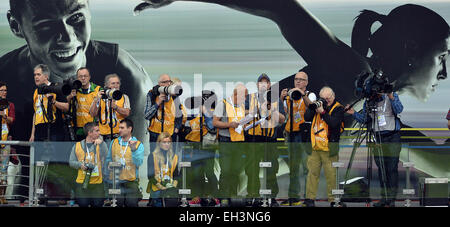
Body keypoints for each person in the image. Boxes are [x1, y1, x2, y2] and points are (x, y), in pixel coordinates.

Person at [346, 91, 404, 207]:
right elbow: (365, 120)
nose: (375, 93)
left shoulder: (391, 95)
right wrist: (353, 113)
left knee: (391, 168)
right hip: (377, 138)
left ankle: (391, 199)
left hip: (392, 137)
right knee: (381, 169)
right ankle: (384, 198)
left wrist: (392, 97)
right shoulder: (368, 102)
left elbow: (399, 109)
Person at [244, 73, 285, 207]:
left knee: (272, 169)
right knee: (252, 169)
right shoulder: (249, 98)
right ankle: (252, 195)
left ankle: (271, 197)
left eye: (266, 82)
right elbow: (241, 114)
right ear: (257, 85)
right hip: (253, 139)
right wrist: (255, 111)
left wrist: (270, 108)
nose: (263, 84)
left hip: (270, 139)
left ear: (269, 85)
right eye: (260, 82)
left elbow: (282, 119)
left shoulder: (275, 99)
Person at [279, 70, 316, 206]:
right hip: (291, 134)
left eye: (301, 79)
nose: (298, 81)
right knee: (293, 168)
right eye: (296, 79)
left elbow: (311, 108)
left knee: (307, 167)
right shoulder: (289, 96)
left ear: (306, 82)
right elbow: (284, 115)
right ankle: (293, 197)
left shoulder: (310, 94)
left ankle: (308, 198)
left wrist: (302, 94)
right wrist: (282, 99)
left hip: (304, 134)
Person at [304, 86, 344, 207]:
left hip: (329, 148)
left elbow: (334, 123)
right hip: (315, 147)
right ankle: (310, 199)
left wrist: (323, 112)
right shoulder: (317, 104)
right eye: (324, 98)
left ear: (333, 96)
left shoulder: (339, 108)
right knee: (312, 174)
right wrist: (313, 107)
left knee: (331, 176)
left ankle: (333, 200)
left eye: (328, 98)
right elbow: (306, 117)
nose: (326, 100)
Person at [213, 83, 248, 207]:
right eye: (243, 96)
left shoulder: (242, 106)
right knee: (226, 170)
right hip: (226, 140)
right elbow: (215, 122)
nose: (245, 98)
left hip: (239, 141)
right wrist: (229, 125)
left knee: (236, 170)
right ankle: (224, 197)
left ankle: (233, 195)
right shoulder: (222, 104)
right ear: (235, 94)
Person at [184, 91, 219, 207]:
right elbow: (189, 128)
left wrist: (205, 111)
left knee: (209, 171)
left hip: (208, 146)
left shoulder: (214, 113)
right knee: (197, 172)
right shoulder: (196, 114)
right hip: (196, 145)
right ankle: (197, 196)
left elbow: (212, 126)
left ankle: (214, 195)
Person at [105, 118, 144, 207]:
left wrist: (133, 150)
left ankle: (137, 193)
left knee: (131, 203)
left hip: (131, 180)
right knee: (118, 202)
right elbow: (108, 159)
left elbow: (138, 163)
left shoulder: (138, 144)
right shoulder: (114, 142)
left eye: (122, 128)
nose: (119, 130)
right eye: (119, 128)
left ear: (129, 129)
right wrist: (109, 166)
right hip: (116, 180)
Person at [69, 122, 108, 207]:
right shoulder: (77, 145)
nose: (99, 133)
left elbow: (107, 156)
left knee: (98, 204)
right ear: (89, 133)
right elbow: (71, 162)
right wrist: (80, 165)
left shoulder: (101, 144)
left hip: (97, 182)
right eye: (97, 131)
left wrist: (101, 144)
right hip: (82, 182)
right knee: (83, 204)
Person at [144, 74, 183, 151]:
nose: (168, 84)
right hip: (155, 134)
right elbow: (146, 115)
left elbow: (179, 114)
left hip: (170, 134)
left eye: (169, 81)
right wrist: (157, 103)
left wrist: (177, 128)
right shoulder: (152, 94)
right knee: (154, 158)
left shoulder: (174, 95)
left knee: (170, 158)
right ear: (160, 84)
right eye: (165, 82)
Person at [29, 64, 68, 142]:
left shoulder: (56, 88)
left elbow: (67, 107)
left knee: (55, 154)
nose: (36, 77)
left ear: (46, 76)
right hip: (39, 130)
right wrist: (32, 134)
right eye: (35, 75)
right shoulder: (36, 92)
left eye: (38, 74)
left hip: (55, 129)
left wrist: (54, 102)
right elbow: (36, 113)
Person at [90, 74, 131, 145]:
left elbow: (127, 113)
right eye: (113, 83)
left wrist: (116, 107)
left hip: (119, 134)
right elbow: (93, 114)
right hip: (103, 135)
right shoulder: (100, 97)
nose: (116, 85)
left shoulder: (124, 97)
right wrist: (96, 100)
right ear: (106, 85)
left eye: (118, 83)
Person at [66, 67, 102, 141]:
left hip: (92, 129)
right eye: (80, 76)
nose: (83, 78)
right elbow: (67, 107)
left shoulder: (97, 89)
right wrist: (69, 97)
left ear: (89, 77)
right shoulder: (74, 90)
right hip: (78, 129)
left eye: (85, 76)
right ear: (77, 78)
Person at [147, 132, 180, 207]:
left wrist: (172, 187)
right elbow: (150, 176)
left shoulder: (174, 157)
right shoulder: (152, 156)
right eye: (164, 142)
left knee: (173, 198)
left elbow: (176, 175)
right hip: (157, 186)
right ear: (159, 143)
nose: (167, 144)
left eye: (169, 142)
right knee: (158, 199)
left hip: (170, 186)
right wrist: (162, 187)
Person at [0, 82, 15, 204]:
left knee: (4, 170)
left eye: (5, 90)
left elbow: (12, 120)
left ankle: (2, 196)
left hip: (5, 142)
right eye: (1, 90)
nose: (4, 92)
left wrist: (3, 116)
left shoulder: (10, 105)